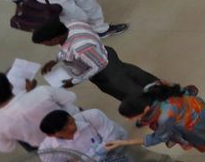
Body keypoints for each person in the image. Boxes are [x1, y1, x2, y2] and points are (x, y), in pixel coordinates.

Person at [38, 106, 191, 162]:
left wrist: (87, 158)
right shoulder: (48, 152)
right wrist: (95, 155)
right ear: (53, 134)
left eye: (71, 121)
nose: (73, 126)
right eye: (67, 128)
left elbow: (112, 138)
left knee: (143, 156)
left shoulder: (91, 116)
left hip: (116, 150)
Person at [115, 82, 205, 162]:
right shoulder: (151, 88)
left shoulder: (164, 117)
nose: (128, 119)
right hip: (196, 106)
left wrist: (126, 142)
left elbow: (159, 137)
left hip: (194, 123)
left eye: (130, 116)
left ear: (145, 109)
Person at [30, 18, 158, 102]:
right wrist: (55, 60)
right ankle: (157, 85)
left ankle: (151, 106)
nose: (45, 45)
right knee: (129, 71)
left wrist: (74, 81)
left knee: (125, 88)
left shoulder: (79, 47)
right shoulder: (72, 24)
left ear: (55, 39)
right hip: (104, 52)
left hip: (105, 69)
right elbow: (65, 48)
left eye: (45, 43)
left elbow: (98, 66)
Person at [0, 72, 79, 153]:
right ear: (10, 85)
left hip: (50, 149)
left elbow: (7, 148)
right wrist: (30, 93)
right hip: (76, 126)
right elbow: (71, 97)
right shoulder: (42, 91)